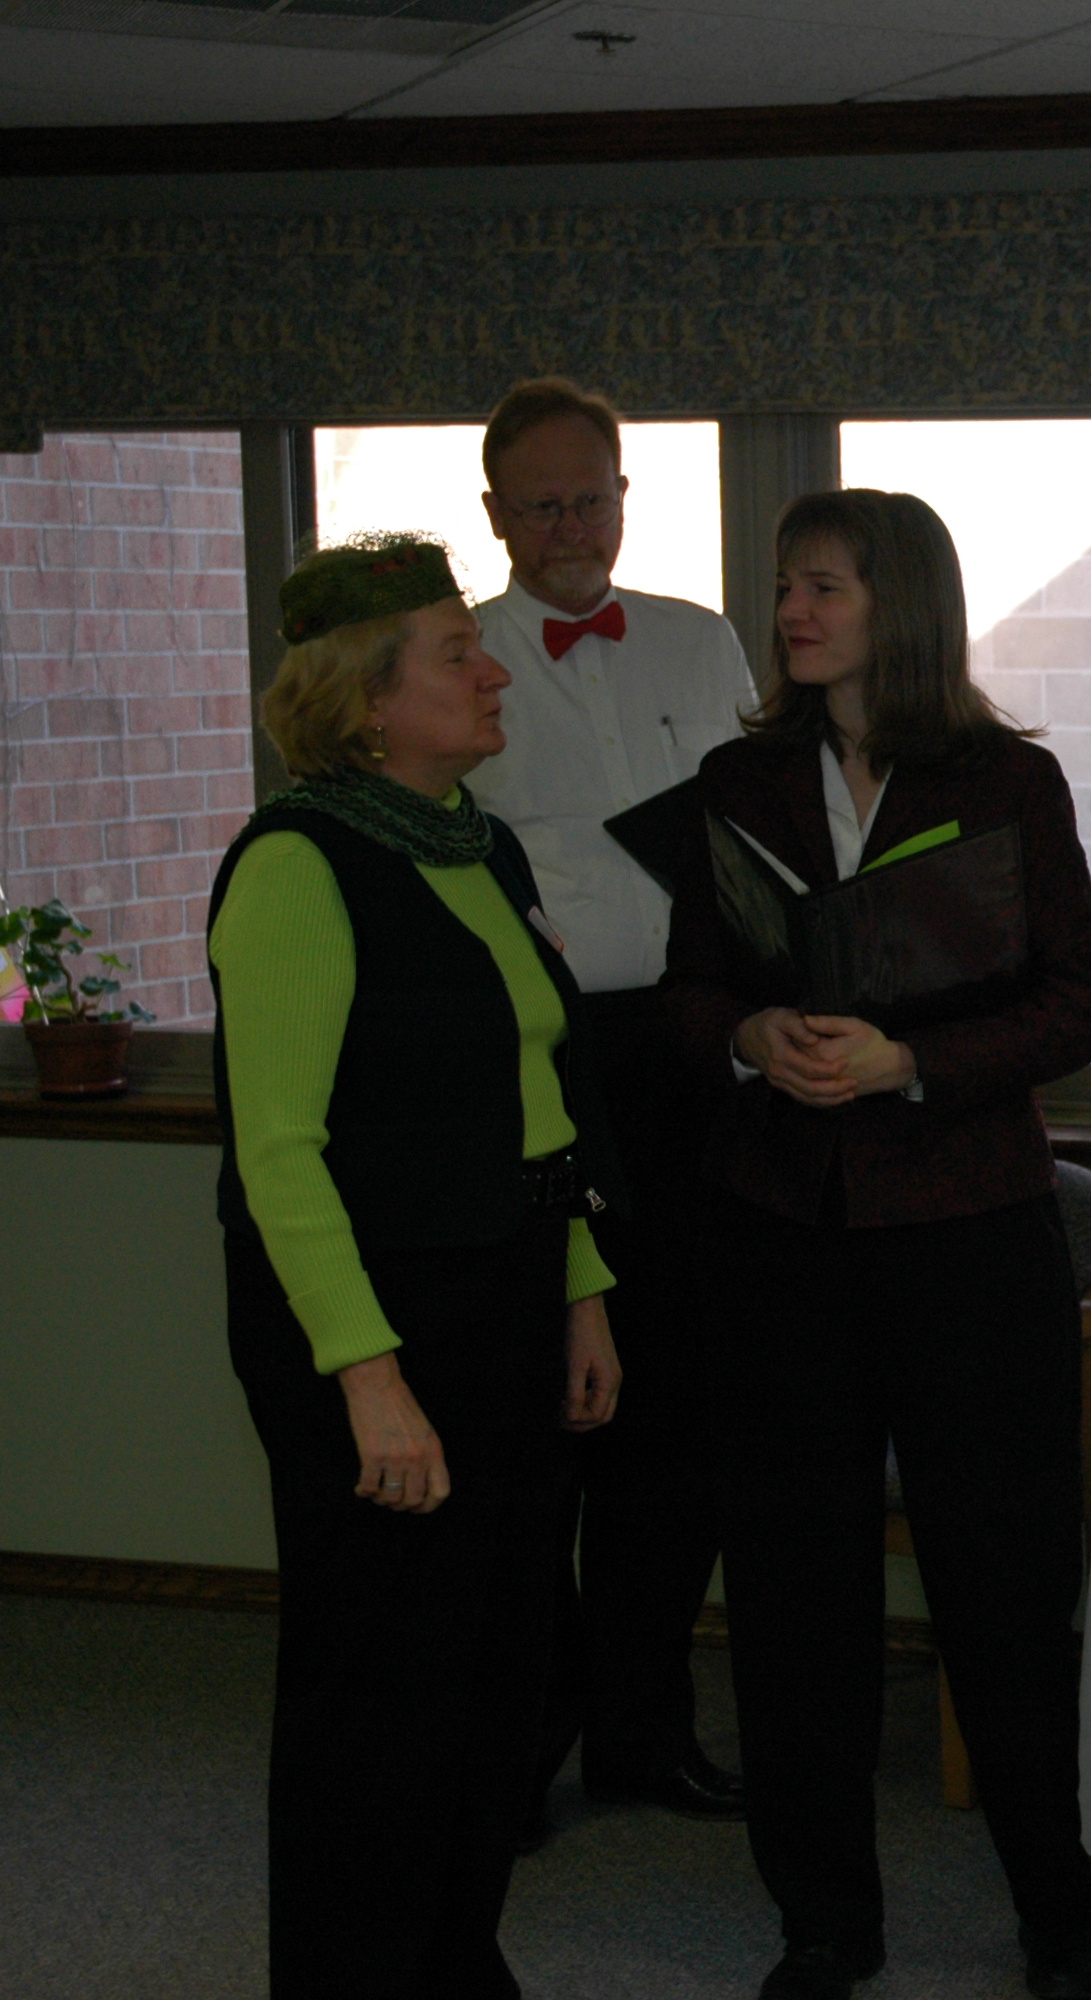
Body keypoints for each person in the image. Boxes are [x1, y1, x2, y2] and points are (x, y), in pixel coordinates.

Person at [661, 489, 1091, 2000]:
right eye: (787, 585)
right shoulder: (735, 779)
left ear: (898, 605)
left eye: (825, 587)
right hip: (779, 1239)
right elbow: (685, 991)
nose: (792, 611)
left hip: (969, 1232)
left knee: (1005, 1589)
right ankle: (824, 1924)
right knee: (794, 1599)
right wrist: (751, 1037)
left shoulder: (1007, 781)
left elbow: (1074, 1006)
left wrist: (908, 1061)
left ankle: (1060, 1917)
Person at [209, 533, 624, 1997]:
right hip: (372, 1327)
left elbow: (537, 1095)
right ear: (368, 699)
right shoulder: (297, 865)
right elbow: (278, 1155)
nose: (493, 670)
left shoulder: (473, 844)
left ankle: (451, 1963)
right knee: (378, 1695)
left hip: (505, 1296)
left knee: (495, 1675)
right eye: (459, 653)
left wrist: (580, 1289)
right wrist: (369, 1379)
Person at [466, 376, 757, 1834]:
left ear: (626, 497)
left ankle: (646, 1728)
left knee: (677, 1416)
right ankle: (521, 1741)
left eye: (592, 498)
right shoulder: (460, 665)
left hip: (693, 1057)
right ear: (496, 515)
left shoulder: (706, 642)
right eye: (543, 505)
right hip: (538, 1066)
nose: (572, 526)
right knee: (541, 1424)